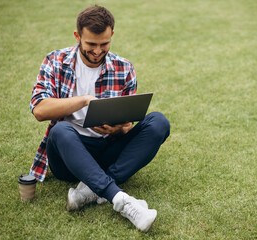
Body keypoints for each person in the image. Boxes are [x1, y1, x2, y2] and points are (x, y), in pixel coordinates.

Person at [29, 5, 170, 232]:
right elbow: (39, 110)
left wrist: (118, 129)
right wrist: (84, 100)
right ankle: (121, 200)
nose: (97, 51)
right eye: (91, 44)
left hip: (106, 149)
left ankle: (89, 190)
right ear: (78, 36)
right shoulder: (55, 61)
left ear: (112, 34)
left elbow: (127, 126)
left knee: (159, 122)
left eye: (104, 44)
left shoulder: (124, 68)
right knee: (60, 130)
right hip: (67, 156)